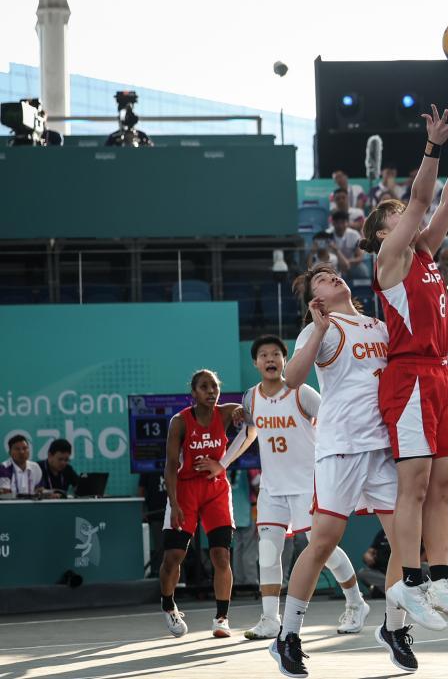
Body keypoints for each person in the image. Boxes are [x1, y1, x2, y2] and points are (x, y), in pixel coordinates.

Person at [362, 106, 448, 646]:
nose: (408, 217)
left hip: (439, 375)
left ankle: (441, 579)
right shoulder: (390, 258)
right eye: (396, 215)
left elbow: (447, 202)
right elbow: (421, 200)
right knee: (412, 485)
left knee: (443, 484)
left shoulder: (425, 251)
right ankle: (408, 582)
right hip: (408, 376)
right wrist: (433, 147)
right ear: (383, 232)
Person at [266, 265, 403, 677]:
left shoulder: (378, 325)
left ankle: (394, 628)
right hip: (340, 448)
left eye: (334, 274)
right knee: (323, 543)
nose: (334, 278)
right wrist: (319, 328)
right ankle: (287, 635)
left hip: (381, 448)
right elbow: (292, 378)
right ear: (317, 299)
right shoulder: (319, 330)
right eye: (322, 279)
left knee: (405, 543)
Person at [213, 335, 367, 641]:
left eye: (276, 354)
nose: (270, 359)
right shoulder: (250, 398)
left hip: (308, 486)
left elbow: (334, 420)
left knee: (322, 548)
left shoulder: (302, 393)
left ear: (285, 361)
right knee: (268, 552)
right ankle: (270, 619)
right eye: (264, 355)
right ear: (255, 363)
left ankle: (356, 603)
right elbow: (248, 433)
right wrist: (222, 463)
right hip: (272, 489)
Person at [159, 369, 242, 639]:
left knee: (221, 555)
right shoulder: (180, 422)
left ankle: (222, 618)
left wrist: (243, 414)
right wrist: (174, 503)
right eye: (204, 387)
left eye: (214, 386)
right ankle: (168, 604)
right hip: (185, 490)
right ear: (193, 392)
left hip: (215, 489)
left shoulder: (227, 413)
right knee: (173, 557)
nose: (211, 391)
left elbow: (253, 416)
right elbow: (171, 465)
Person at [331, 210, 369, 279]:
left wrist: (347, 262)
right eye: (337, 223)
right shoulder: (327, 235)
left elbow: (360, 257)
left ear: (347, 223)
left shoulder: (354, 235)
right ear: (333, 223)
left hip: (351, 264)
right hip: (334, 266)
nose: (340, 226)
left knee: (363, 270)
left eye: (343, 222)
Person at [358, 529, 392, 598]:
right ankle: (390, 590)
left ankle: (382, 591)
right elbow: (370, 551)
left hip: (398, 572)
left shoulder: (403, 531)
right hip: (380, 573)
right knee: (362, 573)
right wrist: (367, 556)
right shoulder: (382, 533)